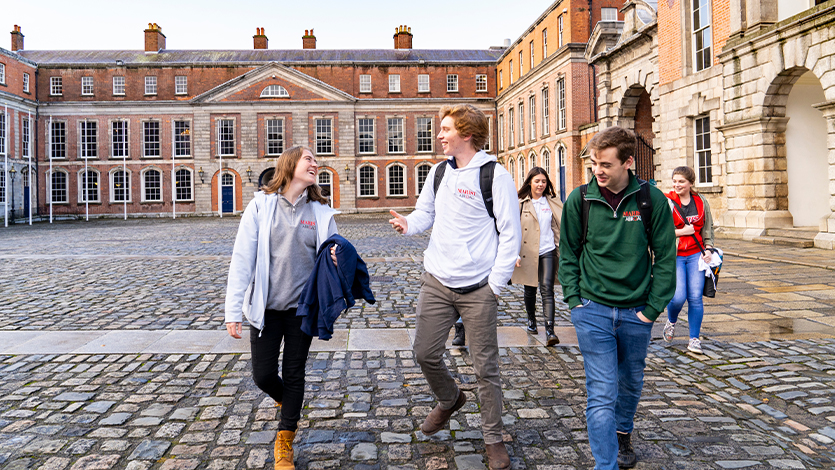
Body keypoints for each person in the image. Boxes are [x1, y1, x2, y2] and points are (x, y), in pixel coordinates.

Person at [389, 104, 521, 470]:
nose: (439, 135)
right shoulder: (437, 172)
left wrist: (494, 286)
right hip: (436, 281)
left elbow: (511, 234)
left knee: (485, 369)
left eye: (446, 129)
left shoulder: (495, 175)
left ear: (466, 133)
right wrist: (408, 224)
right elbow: (426, 214)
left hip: (479, 287)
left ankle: (493, 439)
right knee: (424, 353)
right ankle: (450, 399)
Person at [559, 126, 676, 470]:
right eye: (595, 163)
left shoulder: (650, 200)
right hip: (592, 311)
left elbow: (665, 258)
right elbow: (569, 255)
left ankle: (623, 430)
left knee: (630, 380)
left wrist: (651, 310)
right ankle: (605, 465)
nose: (599, 170)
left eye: (606, 164)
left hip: (636, 312)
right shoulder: (579, 200)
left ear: (628, 162)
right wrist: (575, 303)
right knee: (601, 391)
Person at [224, 146, 339, 470]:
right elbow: (242, 259)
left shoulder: (319, 211)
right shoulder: (261, 206)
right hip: (266, 307)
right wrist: (233, 310)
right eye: (309, 159)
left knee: (294, 373)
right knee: (262, 375)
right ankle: (287, 402)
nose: (315, 163)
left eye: (316, 160)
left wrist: (334, 258)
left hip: (301, 309)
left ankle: (285, 440)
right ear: (289, 165)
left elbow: (333, 254)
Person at [663, 166, 714, 354]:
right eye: (675, 181)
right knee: (677, 297)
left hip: (696, 255)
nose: (677, 185)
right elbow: (658, 232)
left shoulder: (701, 201)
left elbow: (708, 228)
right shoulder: (667, 202)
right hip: (675, 255)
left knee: (695, 297)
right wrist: (681, 232)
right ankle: (671, 321)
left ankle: (694, 339)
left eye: (681, 181)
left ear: (691, 183)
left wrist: (708, 249)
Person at [511, 166, 563, 346]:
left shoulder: (552, 202)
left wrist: (561, 249)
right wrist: (513, 253)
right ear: (530, 182)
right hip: (527, 253)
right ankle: (531, 320)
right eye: (537, 181)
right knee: (530, 290)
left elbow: (558, 227)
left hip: (547, 250)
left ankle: (550, 330)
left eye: (543, 181)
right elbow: (513, 230)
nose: (541, 184)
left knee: (547, 289)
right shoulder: (520, 202)